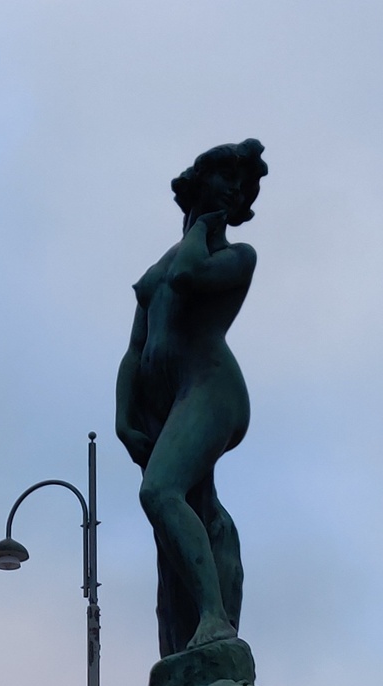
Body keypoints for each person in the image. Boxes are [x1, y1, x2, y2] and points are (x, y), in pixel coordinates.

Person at [115, 140, 268, 656]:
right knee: (196, 511)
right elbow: (135, 350)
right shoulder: (156, 268)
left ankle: (215, 621)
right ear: (199, 180)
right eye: (224, 176)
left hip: (211, 388)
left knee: (160, 492)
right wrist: (122, 416)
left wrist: (203, 225)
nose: (232, 187)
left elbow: (188, 276)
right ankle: (181, 644)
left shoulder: (235, 255)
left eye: (240, 184)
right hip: (168, 398)